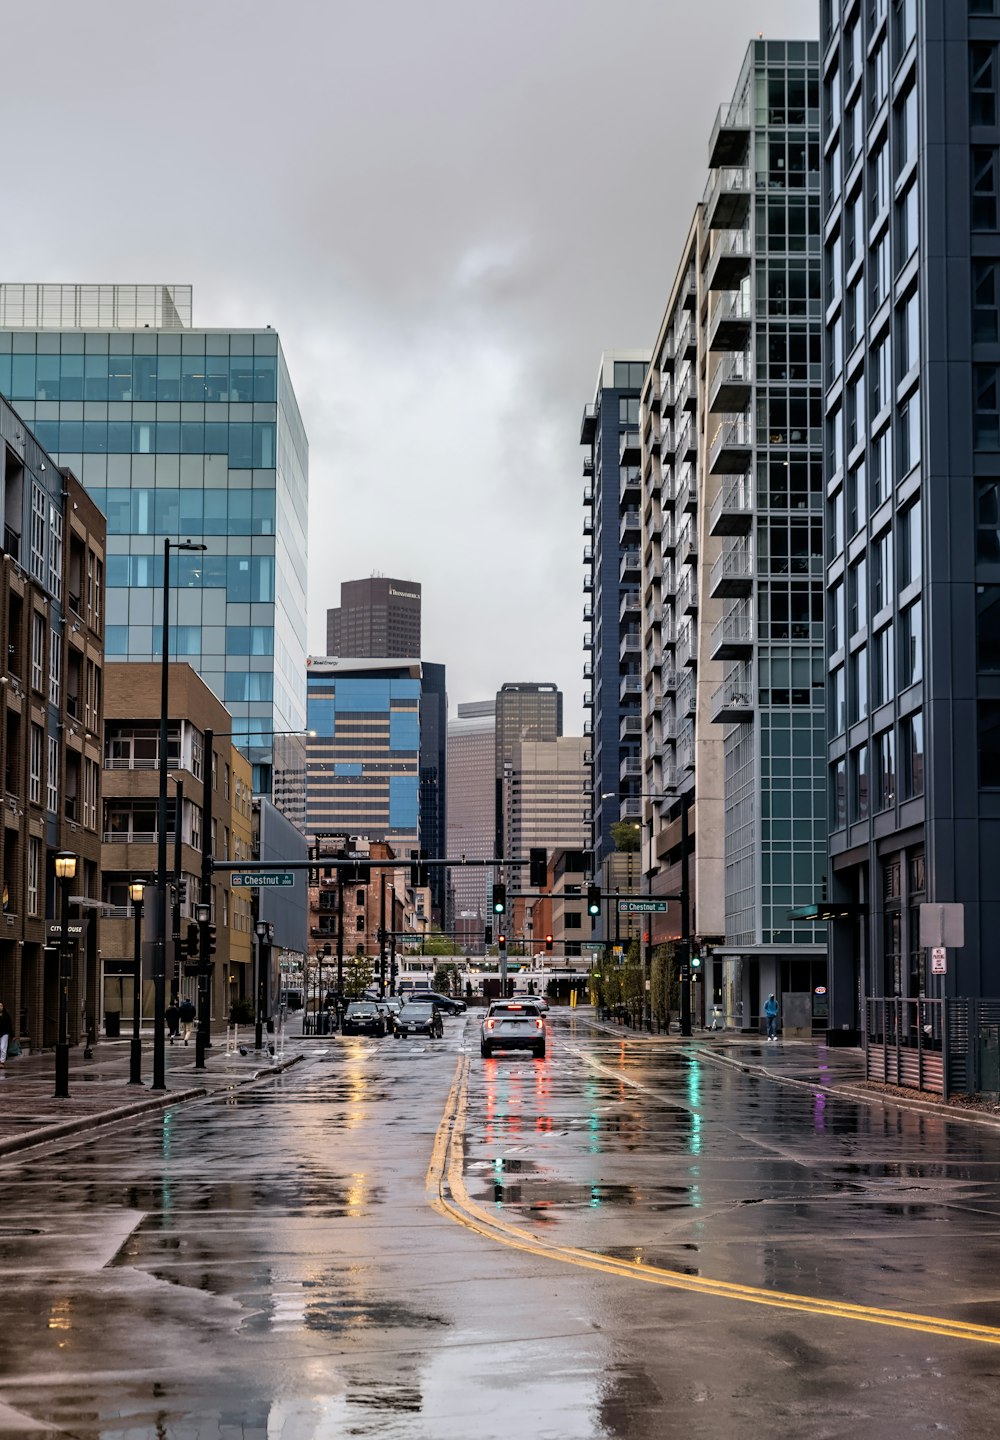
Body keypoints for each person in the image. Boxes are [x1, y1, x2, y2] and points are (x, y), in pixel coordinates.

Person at [0, 1000, 14, 1065]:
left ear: (3, 1007)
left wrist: (12, 1035)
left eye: (1, 1006)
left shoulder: (6, 1015)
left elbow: (9, 1025)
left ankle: (2, 1062)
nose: (0, 1007)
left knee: (3, 1047)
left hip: (4, 1033)